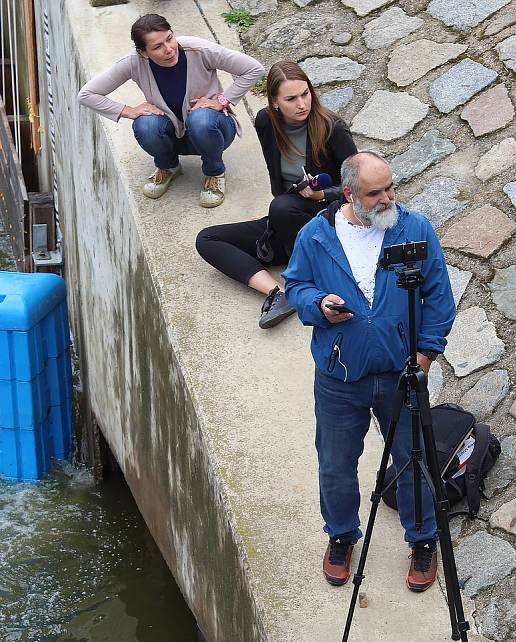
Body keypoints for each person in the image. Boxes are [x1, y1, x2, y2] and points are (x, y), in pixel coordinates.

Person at [282, 152, 456, 591]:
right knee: (336, 465)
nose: (387, 198)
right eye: (375, 193)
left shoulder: (414, 228)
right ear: (349, 194)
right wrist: (318, 306)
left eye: (389, 187)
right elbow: (296, 286)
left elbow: (439, 296)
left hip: (403, 374)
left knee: (413, 460)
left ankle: (422, 541)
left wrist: (426, 356)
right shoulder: (315, 236)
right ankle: (341, 535)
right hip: (341, 379)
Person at [195, 61, 357, 328]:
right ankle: (278, 293)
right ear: (275, 102)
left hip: (326, 222)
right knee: (207, 239)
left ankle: (307, 278)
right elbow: (278, 181)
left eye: (305, 94)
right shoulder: (266, 121)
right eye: (291, 99)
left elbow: (358, 186)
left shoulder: (332, 128)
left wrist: (323, 195)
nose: (302, 104)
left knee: (282, 207)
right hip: (286, 222)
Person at [78, 13, 264, 208]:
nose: (169, 49)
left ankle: (214, 172)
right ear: (143, 52)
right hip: (171, 134)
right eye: (157, 47)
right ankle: (168, 166)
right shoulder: (133, 62)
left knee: (201, 119)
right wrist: (128, 110)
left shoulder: (198, 49)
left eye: (170, 38)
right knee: (145, 124)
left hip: (213, 130)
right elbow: (87, 94)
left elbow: (253, 68)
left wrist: (222, 100)